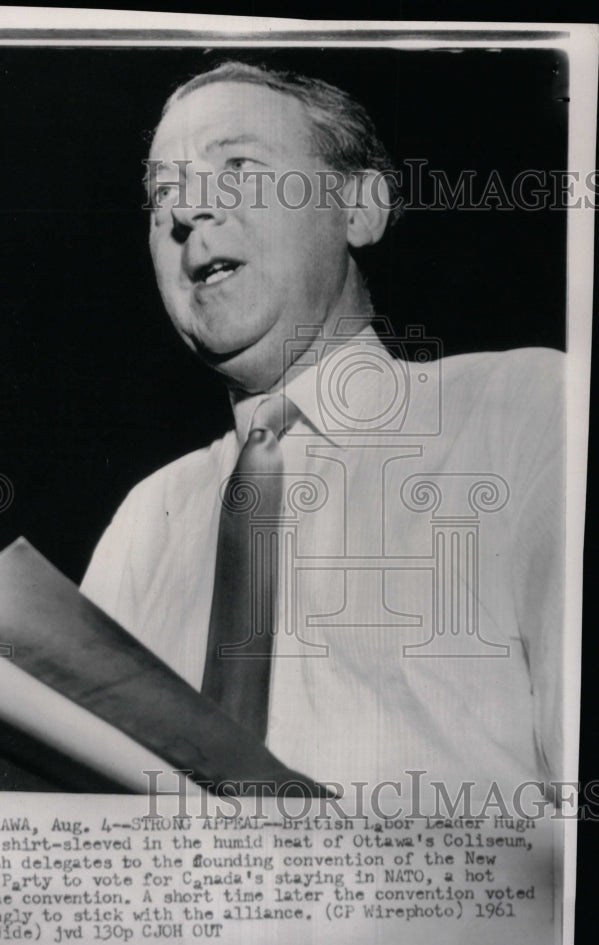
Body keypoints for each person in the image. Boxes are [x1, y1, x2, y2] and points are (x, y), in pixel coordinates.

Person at [81, 62, 564, 797]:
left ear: (359, 209)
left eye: (237, 166)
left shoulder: (525, 412)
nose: (187, 211)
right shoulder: (144, 522)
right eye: (162, 195)